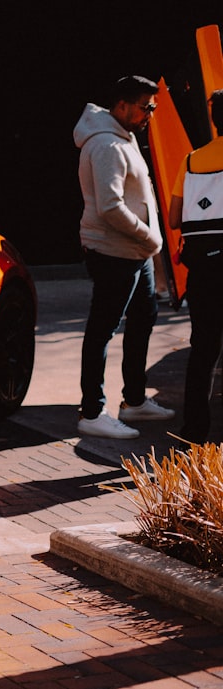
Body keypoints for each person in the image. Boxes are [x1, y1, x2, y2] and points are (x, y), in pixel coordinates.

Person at [74, 75, 176, 439]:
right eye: (145, 106)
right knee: (103, 329)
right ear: (121, 105)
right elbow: (110, 207)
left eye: (153, 106)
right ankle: (91, 413)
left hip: (135, 252)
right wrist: (151, 237)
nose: (150, 113)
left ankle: (134, 401)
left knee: (142, 320)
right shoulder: (106, 146)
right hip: (114, 251)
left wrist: (147, 245)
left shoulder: (124, 138)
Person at [168, 89, 223, 444]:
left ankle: (194, 432)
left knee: (203, 349)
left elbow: (175, 219)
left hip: (204, 269)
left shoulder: (190, 161)